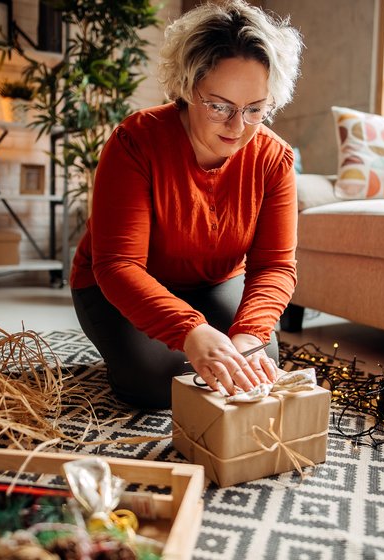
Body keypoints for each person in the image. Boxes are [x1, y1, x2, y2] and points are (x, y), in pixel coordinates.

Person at [70, 0, 304, 408]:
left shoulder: (273, 158)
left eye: (255, 110)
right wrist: (192, 332)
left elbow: (275, 267)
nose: (238, 127)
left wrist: (249, 334)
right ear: (186, 86)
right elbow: (118, 265)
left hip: (215, 281)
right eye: (219, 106)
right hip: (119, 283)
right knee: (160, 382)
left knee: (255, 365)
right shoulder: (135, 142)